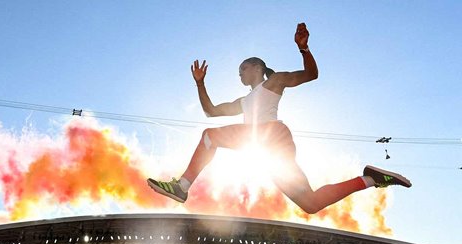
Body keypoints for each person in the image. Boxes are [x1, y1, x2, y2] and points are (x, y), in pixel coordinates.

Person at [147, 23, 411, 214]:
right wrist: (200, 84)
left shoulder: (273, 82)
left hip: (270, 134)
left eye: (243, 69)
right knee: (310, 204)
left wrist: (304, 49)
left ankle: (182, 186)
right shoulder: (244, 101)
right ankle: (370, 179)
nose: (239, 74)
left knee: (210, 136)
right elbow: (211, 111)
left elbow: (310, 75)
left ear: (258, 68)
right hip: (270, 150)